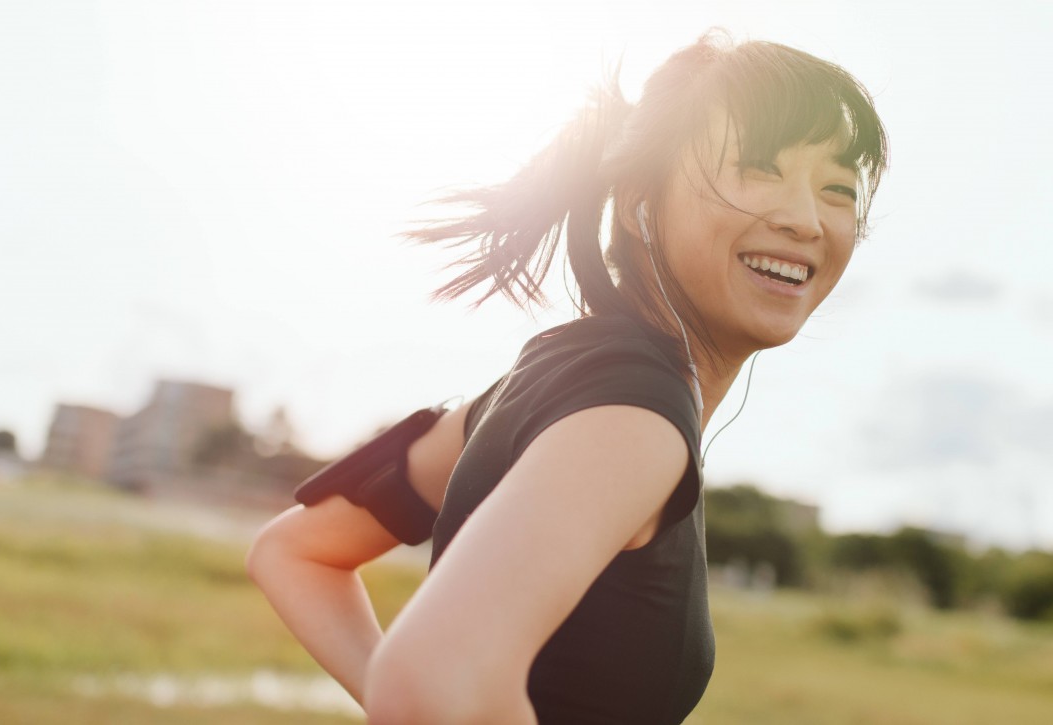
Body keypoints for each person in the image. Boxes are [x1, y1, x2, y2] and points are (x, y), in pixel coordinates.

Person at [246, 28, 889, 724]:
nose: (804, 220)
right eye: (759, 170)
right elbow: (428, 679)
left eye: (836, 188)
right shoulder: (633, 419)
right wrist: (416, 701)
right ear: (643, 203)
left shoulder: (547, 383)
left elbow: (294, 550)